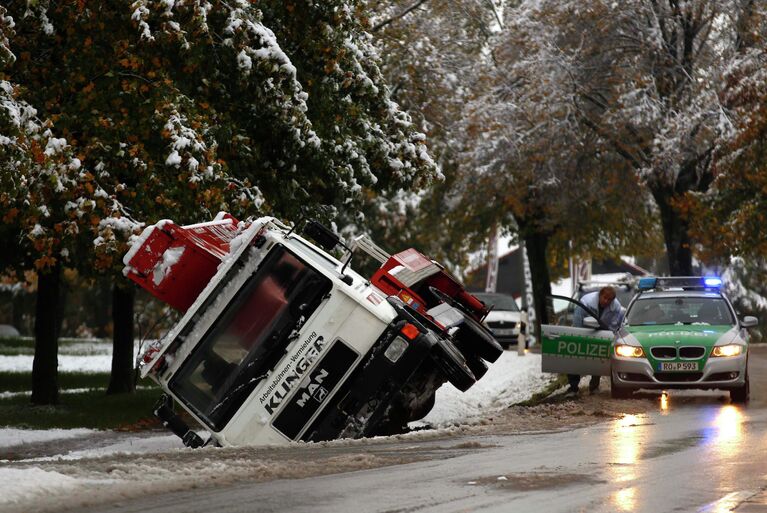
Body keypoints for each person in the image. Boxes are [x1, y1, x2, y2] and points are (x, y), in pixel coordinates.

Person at [566, 286, 624, 396]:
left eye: (609, 300)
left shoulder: (616, 307)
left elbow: (614, 325)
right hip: (584, 332)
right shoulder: (586, 302)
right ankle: (573, 387)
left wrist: (608, 336)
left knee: (598, 359)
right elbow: (577, 322)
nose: (606, 301)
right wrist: (578, 337)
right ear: (600, 295)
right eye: (605, 298)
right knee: (574, 359)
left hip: (600, 334)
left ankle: (594, 386)